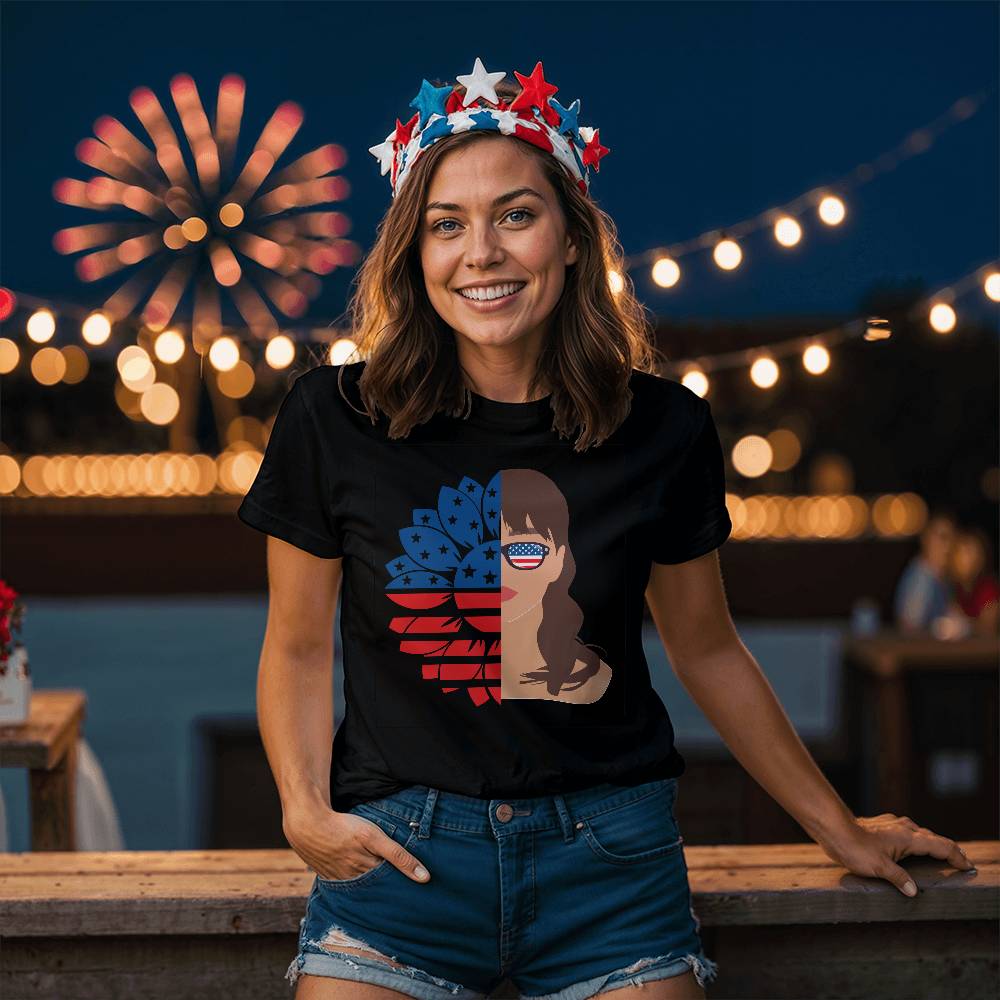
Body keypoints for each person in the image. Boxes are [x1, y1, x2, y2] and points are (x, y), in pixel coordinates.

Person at [238, 58, 975, 1000]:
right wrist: (303, 810)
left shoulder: (663, 428)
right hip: (398, 865)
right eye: (445, 225)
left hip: (610, 867)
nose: (482, 254)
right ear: (413, 255)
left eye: (516, 214)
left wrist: (839, 827)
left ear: (573, 237)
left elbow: (708, 649)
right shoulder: (333, 418)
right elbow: (297, 646)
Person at [893, 512, 958, 634]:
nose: (947, 545)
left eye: (951, 537)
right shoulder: (920, 576)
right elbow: (910, 626)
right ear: (926, 539)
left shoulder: (943, 577)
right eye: (942, 537)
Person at [950, 525, 1000, 636]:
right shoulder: (954, 587)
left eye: (969, 553)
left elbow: (989, 629)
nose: (964, 559)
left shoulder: (989, 589)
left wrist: (964, 625)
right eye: (959, 552)